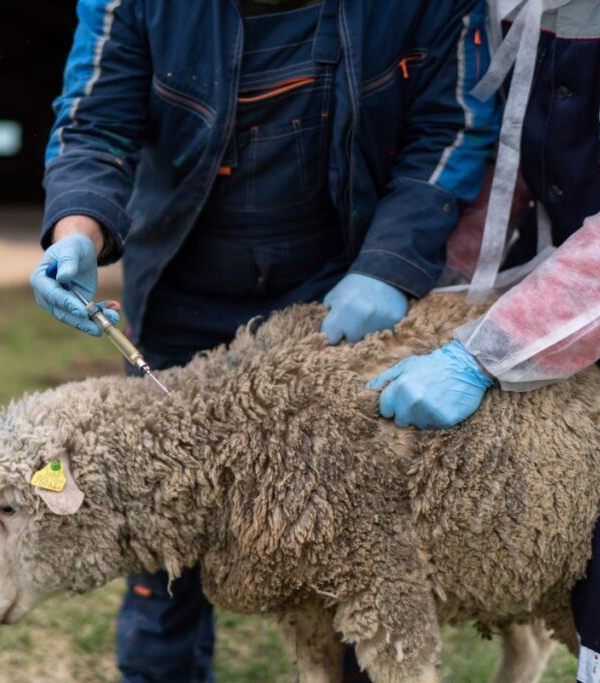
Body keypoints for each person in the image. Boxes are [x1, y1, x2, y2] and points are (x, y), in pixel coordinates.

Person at [30, 0, 499, 680]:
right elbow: (95, 123)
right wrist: (77, 231)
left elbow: (451, 127)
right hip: (182, 294)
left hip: (335, 298)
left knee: (344, 525)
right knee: (165, 533)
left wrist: (390, 264)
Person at [369, 1, 600, 680]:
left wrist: (481, 353)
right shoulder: (524, 6)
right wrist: (436, 289)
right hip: (585, 324)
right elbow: (515, 153)